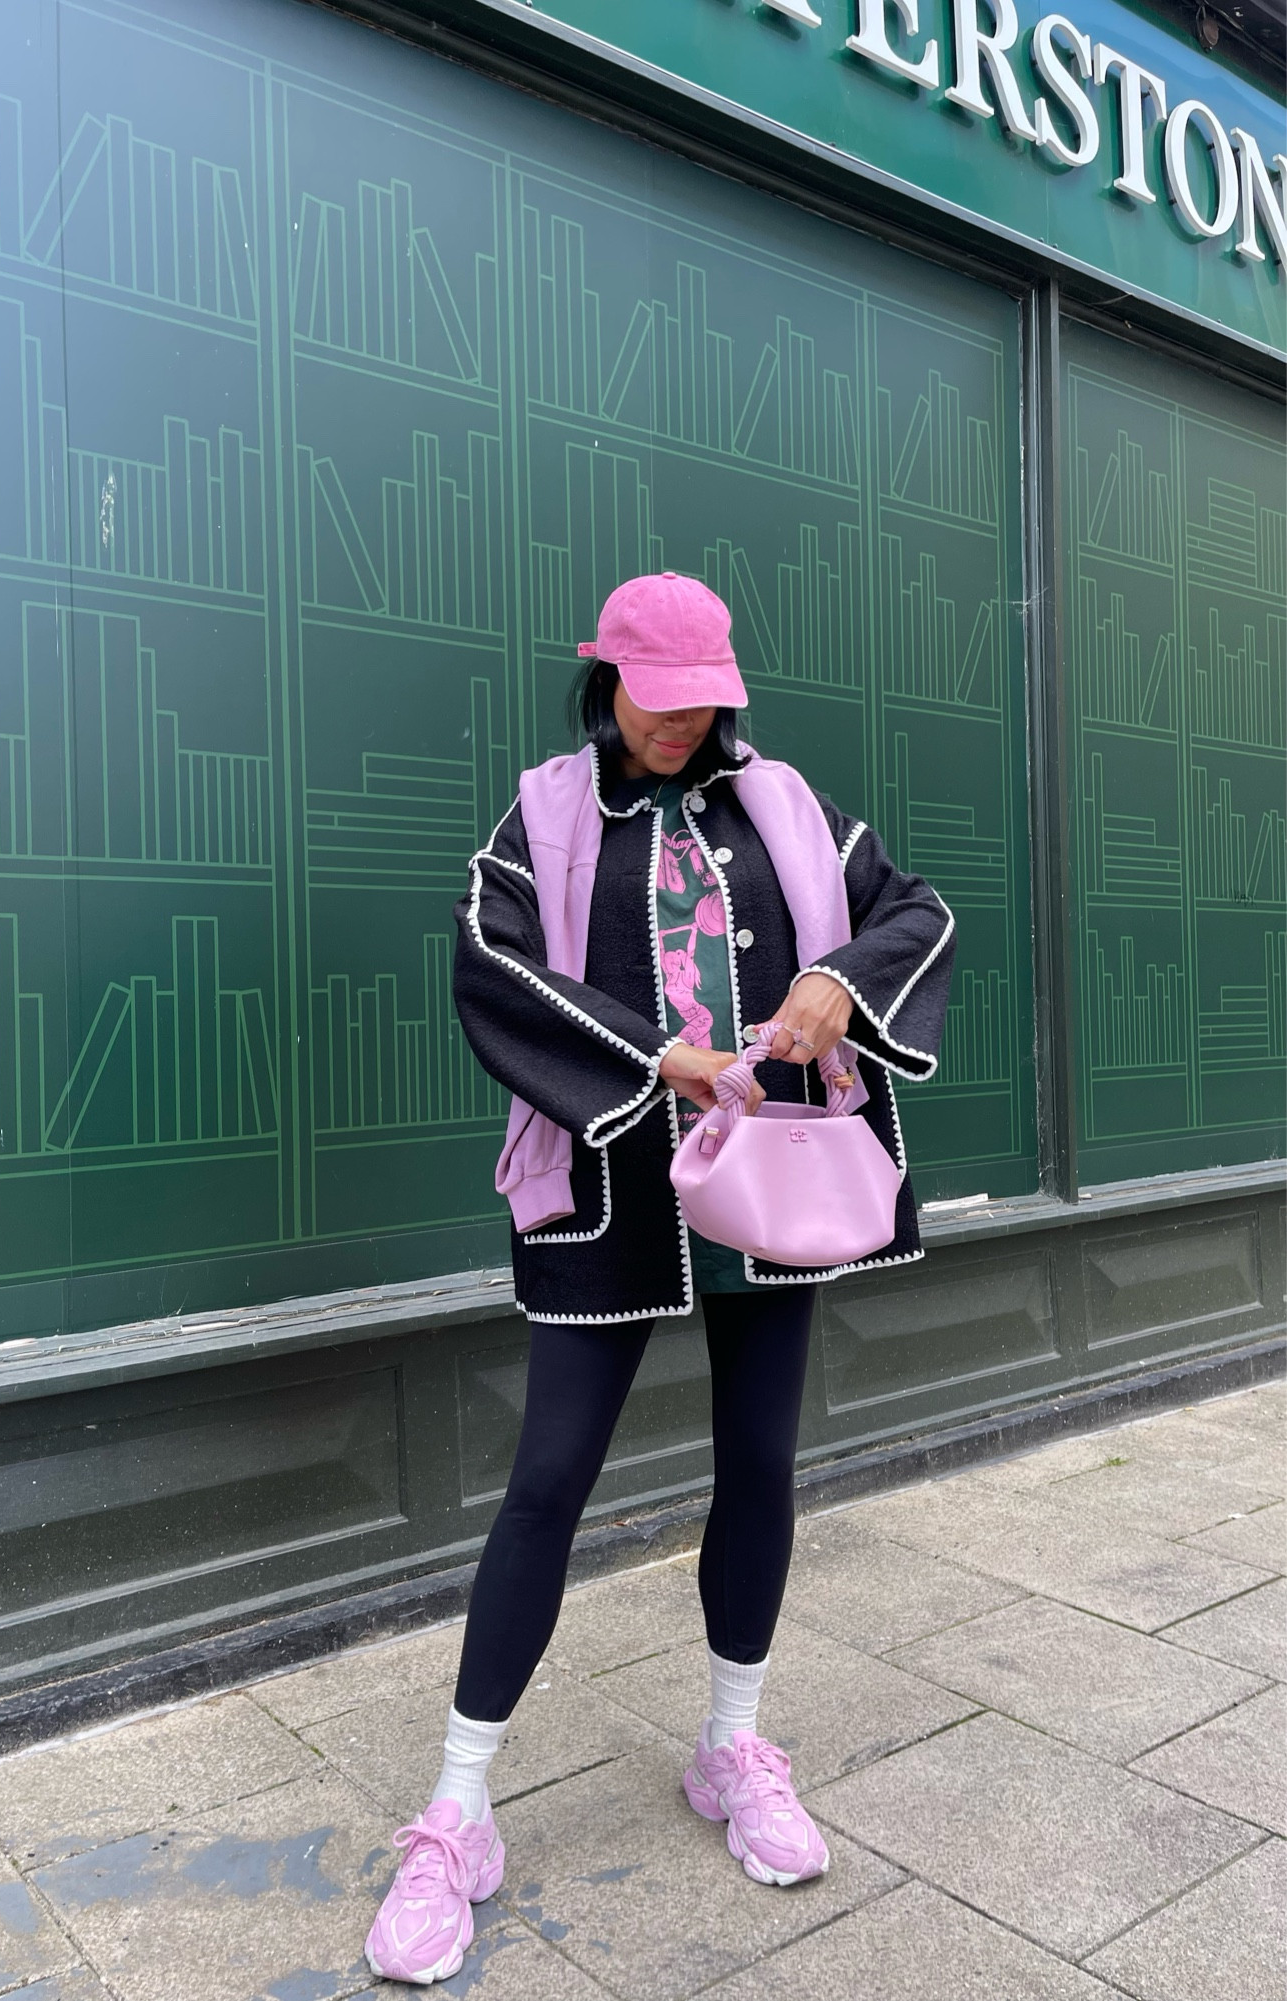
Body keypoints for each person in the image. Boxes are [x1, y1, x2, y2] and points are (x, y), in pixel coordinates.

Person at [365, 572, 955, 1985]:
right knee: (547, 1480)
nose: (684, 720)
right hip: (608, 1188)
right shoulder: (546, 815)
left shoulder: (790, 806)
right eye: (658, 694)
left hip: (767, 1188)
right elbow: (488, 953)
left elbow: (913, 912)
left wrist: (833, 984)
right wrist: (649, 1055)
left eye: (705, 697)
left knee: (757, 1460)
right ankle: (457, 1810)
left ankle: (731, 1744)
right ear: (606, 679)